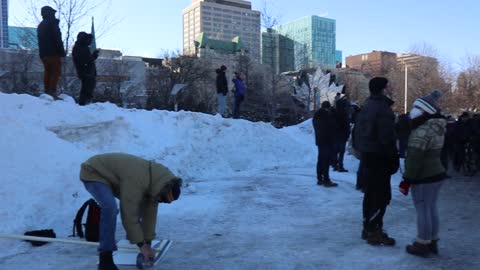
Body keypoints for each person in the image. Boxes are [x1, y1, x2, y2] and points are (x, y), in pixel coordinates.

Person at [79, 153, 182, 270]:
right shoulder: (138, 179)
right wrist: (141, 244)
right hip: (94, 172)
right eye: (161, 199)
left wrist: (147, 243)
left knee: (137, 204)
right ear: (164, 190)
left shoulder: (157, 184)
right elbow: (128, 213)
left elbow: (150, 215)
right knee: (110, 207)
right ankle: (105, 257)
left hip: (112, 177)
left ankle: (132, 240)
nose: (159, 201)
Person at [399, 95, 447, 257]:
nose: (412, 111)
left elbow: (414, 158)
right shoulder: (437, 127)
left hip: (424, 176)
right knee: (431, 208)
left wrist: (407, 179)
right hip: (437, 173)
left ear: (425, 111)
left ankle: (422, 243)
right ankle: (432, 240)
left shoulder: (421, 130)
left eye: (416, 108)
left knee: (422, 210)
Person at [354, 77, 399, 246]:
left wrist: (362, 151)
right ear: (383, 89)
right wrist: (393, 158)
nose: (390, 88)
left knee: (370, 194)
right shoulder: (382, 108)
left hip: (368, 156)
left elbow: (357, 134)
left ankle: (368, 228)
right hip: (379, 157)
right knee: (381, 196)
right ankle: (374, 231)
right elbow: (387, 138)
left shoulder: (367, 105)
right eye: (388, 86)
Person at [37, 6, 66, 99]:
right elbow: (57, 37)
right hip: (53, 53)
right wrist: (62, 51)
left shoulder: (41, 25)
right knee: (56, 72)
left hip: (44, 54)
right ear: (50, 13)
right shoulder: (52, 23)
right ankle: (52, 92)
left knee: (48, 72)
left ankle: (47, 91)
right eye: (53, 13)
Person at [313, 101, 338, 187]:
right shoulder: (326, 116)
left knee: (320, 159)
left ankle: (320, 178)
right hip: (327, 141)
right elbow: (331, 126)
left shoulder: (317, 115)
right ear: (328, 108)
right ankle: (326, 179)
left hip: (320, 140)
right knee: (326, 160)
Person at [73, 32, 99, 106]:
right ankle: (84, 104)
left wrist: (93, 56)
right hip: (86, 72)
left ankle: (86, 103)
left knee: (89, 88)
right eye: (88, 40)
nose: (89, 42)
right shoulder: (79, 47)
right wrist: (92, 57)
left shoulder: (83, 47)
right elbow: (84, 60)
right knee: (86, 89)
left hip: (88, 71)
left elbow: (87, 59)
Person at [332, 94, 351, 172]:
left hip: (335, 135)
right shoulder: (344, 114)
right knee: (341, 152)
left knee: (335, 151)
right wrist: (347, 134)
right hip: (342, 136)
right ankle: (340, 166)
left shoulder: (333, 113)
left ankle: (335, 165)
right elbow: (346, 125)